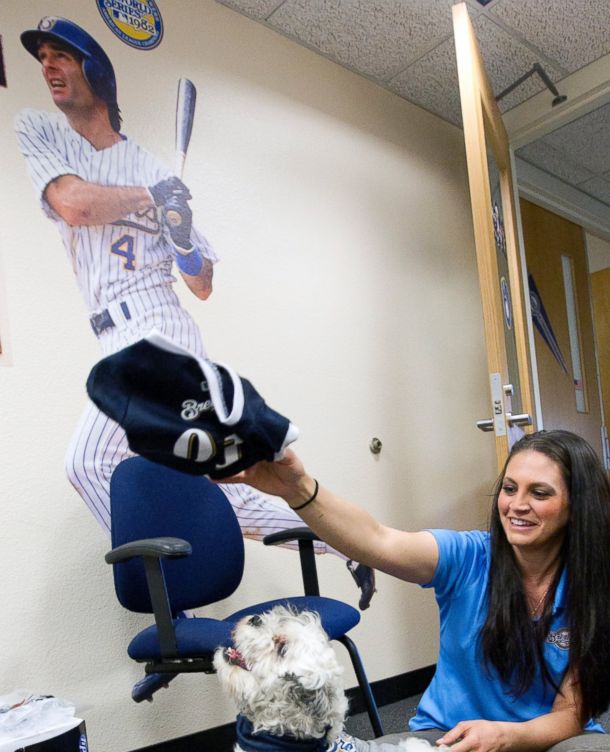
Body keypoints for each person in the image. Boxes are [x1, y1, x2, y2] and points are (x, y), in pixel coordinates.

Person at [15, 18, 375, 691]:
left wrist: (181, 230)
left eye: (63, 56)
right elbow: (71, 204)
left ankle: (173, 621)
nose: (50, 68)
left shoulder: (153, 166)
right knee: (203, 492)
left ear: (96, 68)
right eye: (44, 59)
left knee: (87, 460)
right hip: (112, 333)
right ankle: (340, 538)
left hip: (157, 327)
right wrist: (154, 200)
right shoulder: (46, 133)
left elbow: (201, 279)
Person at [230, 429, 610, 752]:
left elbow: (570, 716)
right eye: (510, 489)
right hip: (444, 749)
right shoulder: (467, 557)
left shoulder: (600, 593)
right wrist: (297, 488)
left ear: (576, 507)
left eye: (540, 493)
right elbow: (378, 541)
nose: (517, 505)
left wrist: (503, 735)